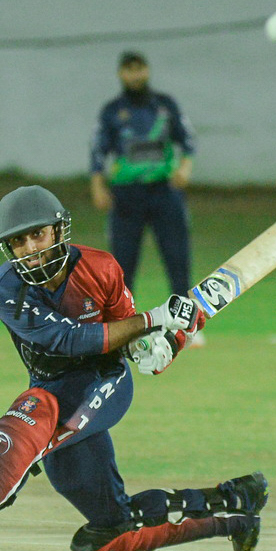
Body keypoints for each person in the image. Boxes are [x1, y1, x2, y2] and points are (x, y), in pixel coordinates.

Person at [0, 185, 268, 551]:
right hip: (52, 387)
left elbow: (126, 330)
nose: (31, 248)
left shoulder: (101, 268)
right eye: (18, 241)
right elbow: (68, 339)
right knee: (110, 531)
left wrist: (158, 346)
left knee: (27, 420)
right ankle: (236, 507)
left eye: (38, 234)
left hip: (103, 380)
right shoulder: (7, 288)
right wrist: (152, 321)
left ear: (58, 230)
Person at [90, 51, 203, 345]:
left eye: (139, 68)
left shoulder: (164, 106)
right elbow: (98, 149)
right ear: (121, 74)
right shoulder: (113, 111)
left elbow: (188, 138)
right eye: (129, 69)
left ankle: (187, 327)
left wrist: (185, 167)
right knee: (123, 265)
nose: (135, 75)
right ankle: (124, 329)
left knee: (177, 258)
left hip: (164, 192)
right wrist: (98, 185)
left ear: (147, 71)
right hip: (127, 196)